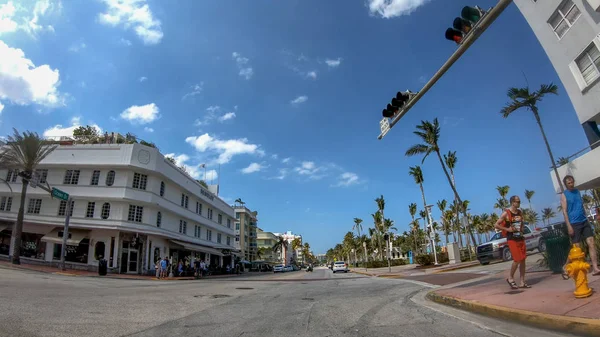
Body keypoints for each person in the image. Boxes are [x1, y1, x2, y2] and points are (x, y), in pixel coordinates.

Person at [560, 175, 600, 276]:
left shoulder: (577, 192)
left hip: (584, 221)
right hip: (573, 223)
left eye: (572, 182)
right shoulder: (564, 195)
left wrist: (587, 218)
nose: (571, 184)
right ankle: (565, 265)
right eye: (569, 183)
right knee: (576, 248)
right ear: (566, 184)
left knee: (591, 243)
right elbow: (564, 211)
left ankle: (595, 267)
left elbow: (581, 205)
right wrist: (568, 225)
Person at [495, 195, 530, 289]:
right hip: (512, 239)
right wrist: (508, 229)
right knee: (517, 259)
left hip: (520, 237)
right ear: (512, 202)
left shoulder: (519, 212)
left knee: (523, 260)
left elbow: (521, 222)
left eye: (519, 201)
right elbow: (496, 225)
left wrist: (522, 229)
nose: (519, 203)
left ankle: (522, 282)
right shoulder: (506, 213)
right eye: (517, 202)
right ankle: (510, 278)